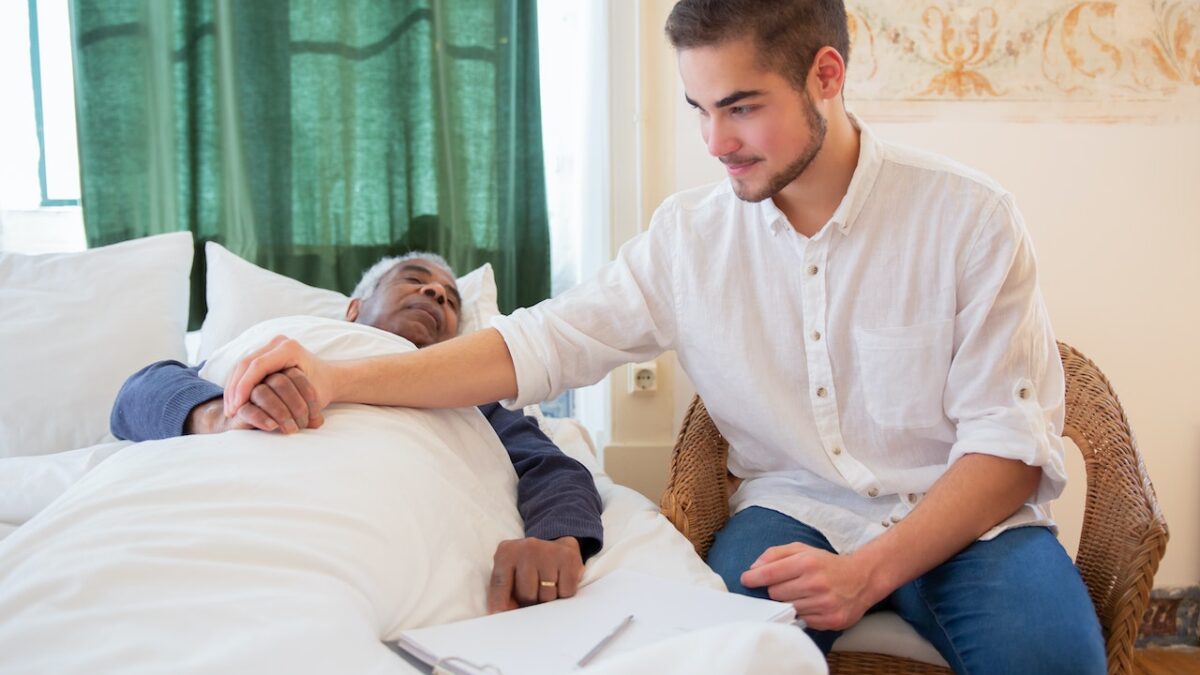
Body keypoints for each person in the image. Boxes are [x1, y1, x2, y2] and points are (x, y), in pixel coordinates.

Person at [216, 1, 1106, 671]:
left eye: (742, 107)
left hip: (972, 523)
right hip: (793, 516)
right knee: (715, 663)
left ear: (827, 76)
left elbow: (1008, 450)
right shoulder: (689, 240)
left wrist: (872, 570)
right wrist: (339, 376)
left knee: (1059, 662)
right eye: (698, 108)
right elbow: (537, 345)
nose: (715, 141)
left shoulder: (971, 218)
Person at [109, 252, 603, 615]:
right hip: (223, 504)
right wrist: (217, 413)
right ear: (352, 310)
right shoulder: (286, 340)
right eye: (415, 281)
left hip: (376, 533)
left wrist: (557, 538)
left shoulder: (474, 397)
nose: (435, 294)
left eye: (450, 299)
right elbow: (136, 395)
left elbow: (551, 466)